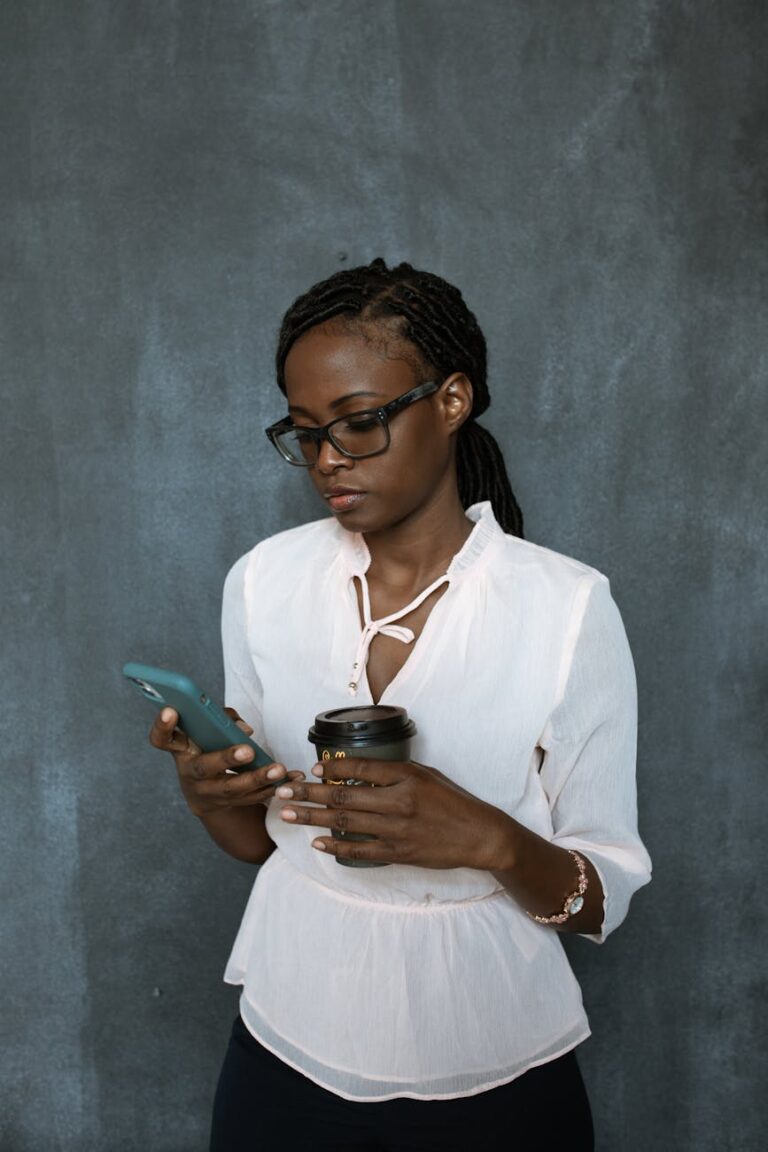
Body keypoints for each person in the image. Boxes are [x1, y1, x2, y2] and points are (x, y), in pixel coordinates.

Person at [150, 258, 652, 1151]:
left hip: (493, 1064)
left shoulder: (567, 608)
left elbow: (600, 898)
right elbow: (262, 845)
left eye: (360, 423)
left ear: (453, 399)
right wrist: (212, 798)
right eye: (305, 433)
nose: (328, 461)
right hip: (283, 1046)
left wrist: (487, 837)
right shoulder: (264, 582)